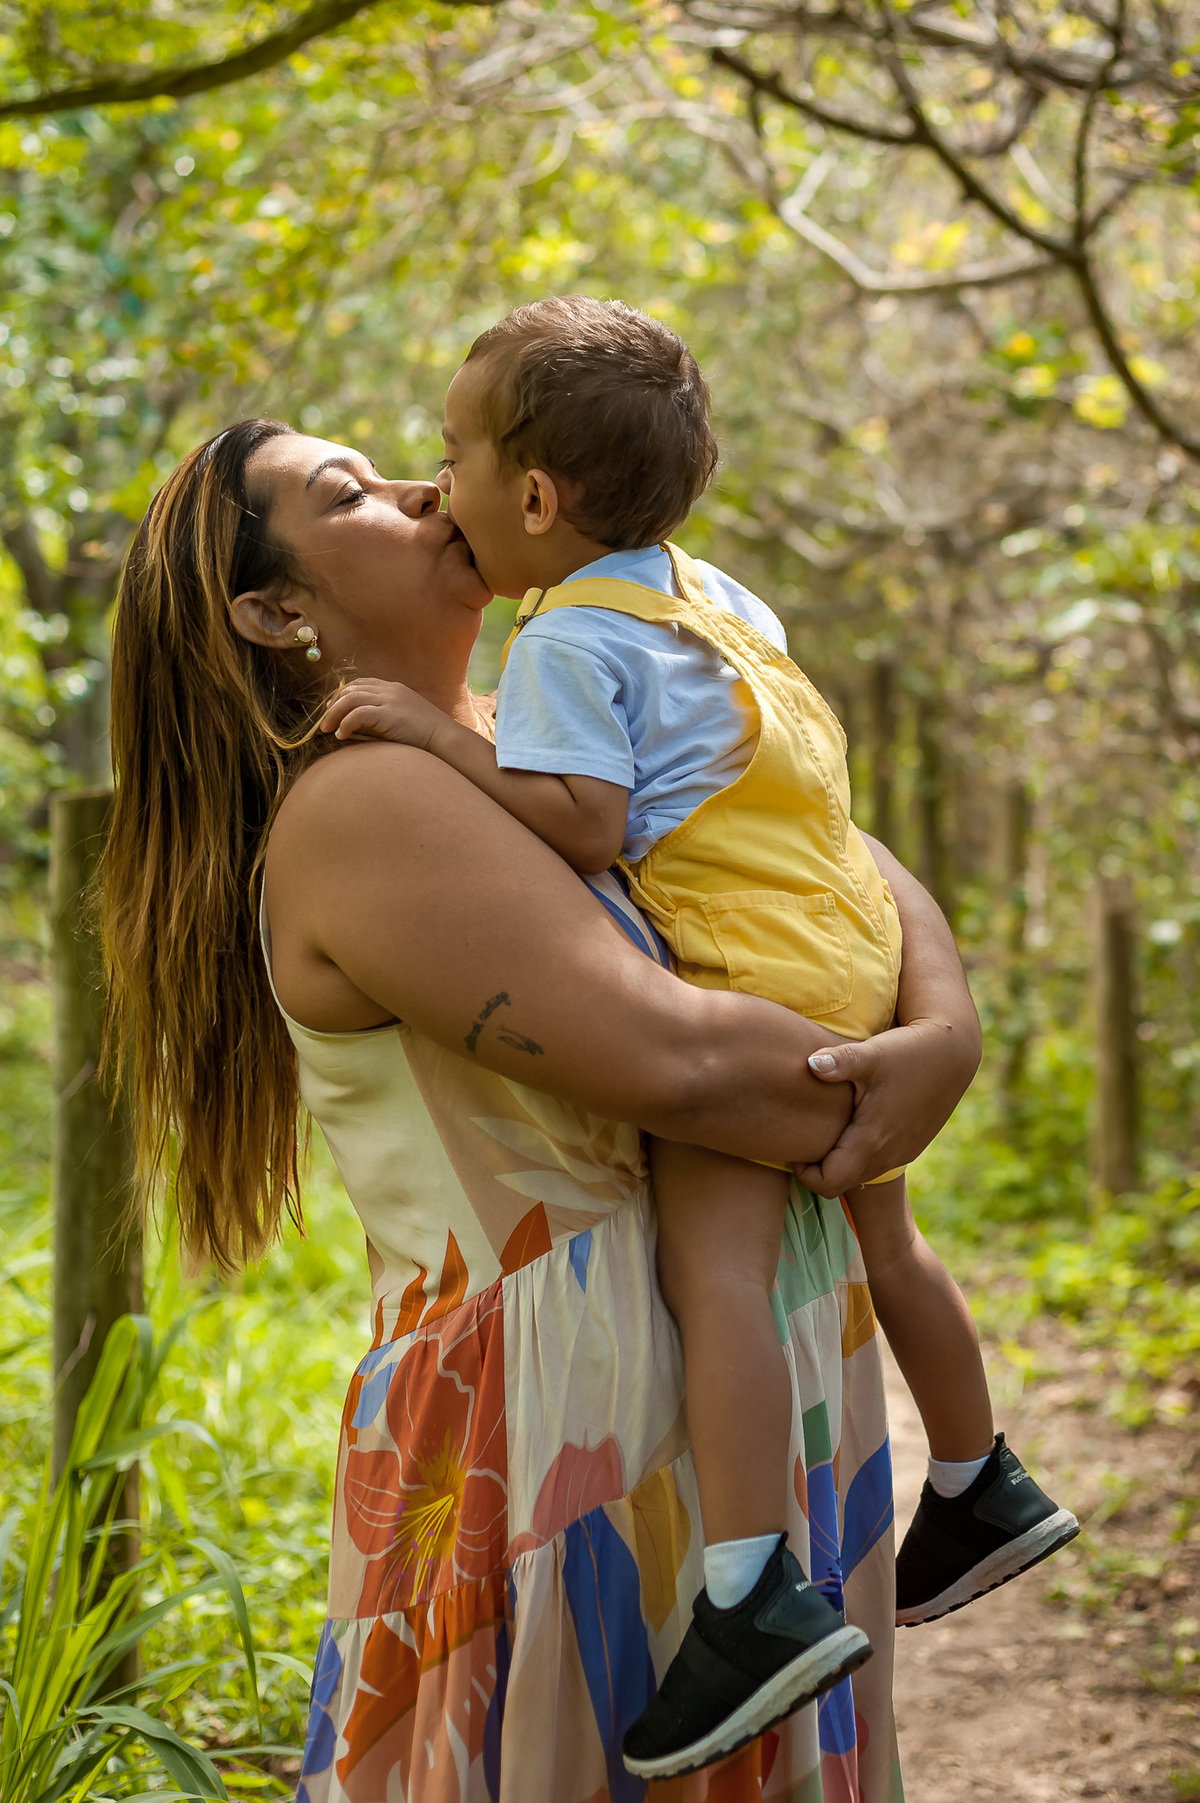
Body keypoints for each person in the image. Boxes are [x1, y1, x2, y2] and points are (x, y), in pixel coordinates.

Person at [100, 416, 982, 1802]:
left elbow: (827, 853)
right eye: (351, 496)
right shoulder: (365, 808)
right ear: (276, 611)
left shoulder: (535, 742)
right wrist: (896, 1074)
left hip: (747, 1392)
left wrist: (942, 1029)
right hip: (563, 1454)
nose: (416, 484)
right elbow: (688, 1070)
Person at [319, 298, 1078, 1779]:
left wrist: (438, 742)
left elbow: (585, 820)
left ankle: (748, 1588)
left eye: (450, 453)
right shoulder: (716, 597)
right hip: (843, 940)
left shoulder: (560, 645)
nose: (437, 479)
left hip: (745, 974)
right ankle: (981, 1473)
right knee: (889, 1238)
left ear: (535, 501)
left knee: (714, 1269)